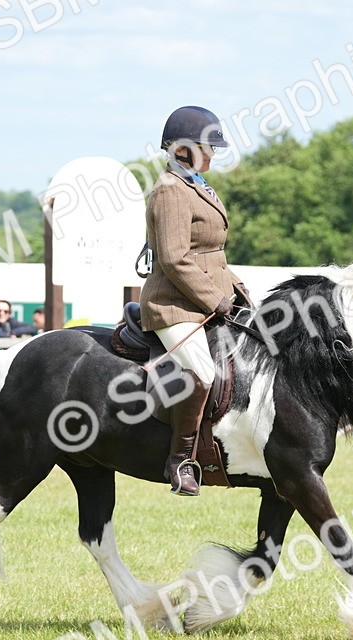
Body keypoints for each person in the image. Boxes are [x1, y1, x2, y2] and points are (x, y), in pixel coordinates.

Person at [140, 105, 251, 496]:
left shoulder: (197, 185)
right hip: (173, 305)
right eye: (209, 146)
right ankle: (181, 460)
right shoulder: (170, 191)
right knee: (204, 373)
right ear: (183, 149)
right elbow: (173, 258)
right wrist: (213, 297)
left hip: (205, 297)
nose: (214, 153)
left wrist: (236, 289)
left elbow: (211, 254)